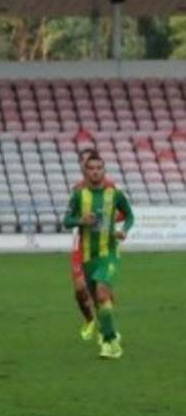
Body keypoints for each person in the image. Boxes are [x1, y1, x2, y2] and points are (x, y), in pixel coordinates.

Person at [63, 150, 134, 359]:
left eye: (98, 168)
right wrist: (81, 220)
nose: (94, 171)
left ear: (104, 169)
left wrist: (123, 230)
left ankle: (110, 343)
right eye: (90, 167)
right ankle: (105, 330)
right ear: (84, 169)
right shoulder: (78, 193)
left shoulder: (114, 192)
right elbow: (67, 221)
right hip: (86, 254)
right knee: (96, 298)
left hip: (109, 252)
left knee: (102, 293)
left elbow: (128, 215)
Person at [68, 149, 122, 342]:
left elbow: (120, 213)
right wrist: (80, 220)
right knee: (80, 288)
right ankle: (89, 320)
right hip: (80, 244)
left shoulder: (109, 187)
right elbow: (70, 218)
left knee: (102, 290)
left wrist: (113, 220)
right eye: (84, 163)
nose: (88, 167)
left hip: (103, 244)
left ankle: (106, 326)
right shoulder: (77, 189)